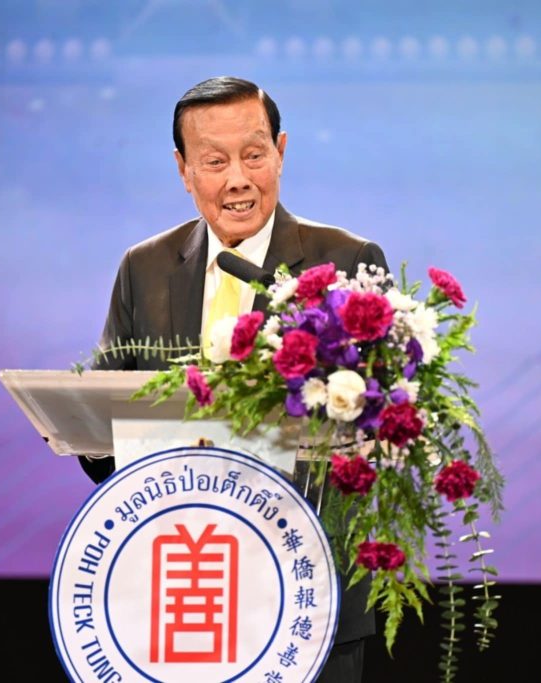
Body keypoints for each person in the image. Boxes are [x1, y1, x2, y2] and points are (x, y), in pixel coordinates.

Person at [79, 76, 388, 683]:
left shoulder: (345, 262)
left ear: (281, 151)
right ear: (183, 169)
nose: (238, 179)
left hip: (306, 590)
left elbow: (379, 430)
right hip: (183, 588)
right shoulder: (145, 268)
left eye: (254, 154)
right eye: (215, 162)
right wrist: (85, 430)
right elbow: (105, 428)